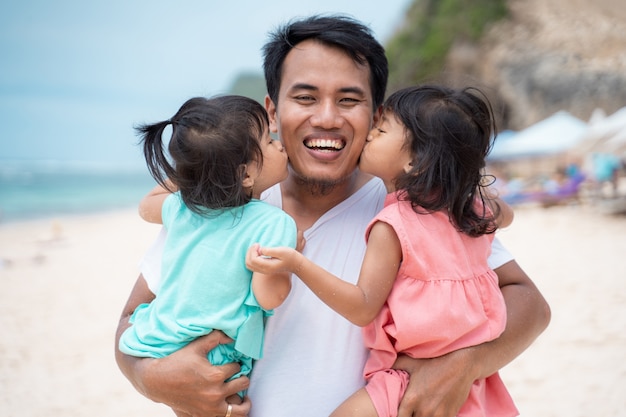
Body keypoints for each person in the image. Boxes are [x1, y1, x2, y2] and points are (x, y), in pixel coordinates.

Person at [115, 15, 551, 417]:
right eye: (305, 97)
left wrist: (466, 362)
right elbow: (131, 321)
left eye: (348, 100)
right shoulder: (220, 206)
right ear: (271, 111)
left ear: (377, 115)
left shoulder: (420, 206)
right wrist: (150, 378)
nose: (326, 118)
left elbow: (529, 302)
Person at [246, 85, 517, 417]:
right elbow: (507, 214)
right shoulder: (468, 210)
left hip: (407, 379)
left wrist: (297, 263)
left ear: (415, 161)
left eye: (382, 128)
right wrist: (468, 195)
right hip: (477, 384)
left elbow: (362, 307)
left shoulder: (392, 225)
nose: (370, 134)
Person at [117, 95, 297, 417]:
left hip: (157, 337)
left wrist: (199, 170)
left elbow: (148, 205)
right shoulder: (275, 223)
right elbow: (270, 298)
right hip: (217, 353)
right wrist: (284, 262)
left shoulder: (182, 208)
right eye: (269, 142)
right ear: (244, 175)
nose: (279, 145)